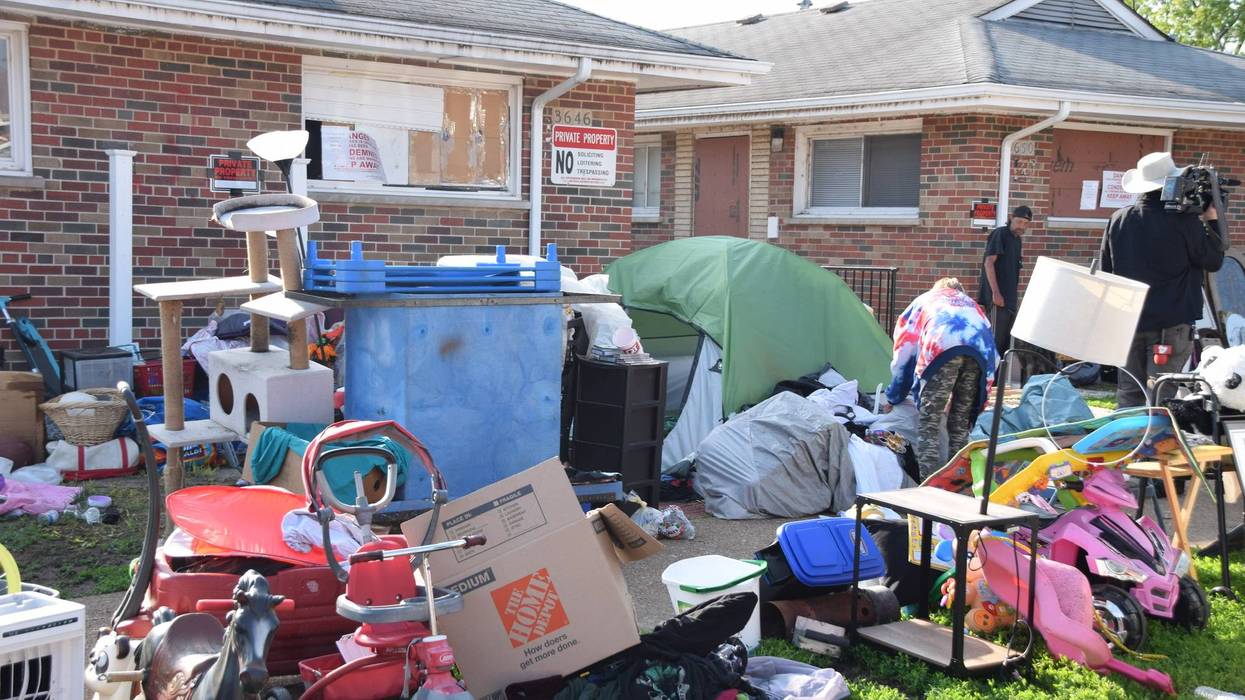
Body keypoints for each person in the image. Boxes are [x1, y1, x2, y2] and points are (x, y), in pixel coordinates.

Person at [1101, 152, 1226, 408]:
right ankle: (1153, 444)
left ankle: (1125, 444)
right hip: (1170, 325)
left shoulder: (1118, 219)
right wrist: (1211, 221)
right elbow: (1213, 261)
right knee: (1161, 394)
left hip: (1129, 322)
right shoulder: (1184, 221)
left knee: (1130, 391)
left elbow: (1107, 271)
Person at [884, 278, 998, 479]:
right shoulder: (972, 306)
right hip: (979, 355)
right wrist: (978, 403)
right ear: (958, 291)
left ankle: (929, 485)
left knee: (930, 422)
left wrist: (895, 396)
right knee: (959, 424)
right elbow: (994, 356)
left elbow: (904, 352)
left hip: (941, 346)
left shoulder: (924, 301)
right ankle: (958, 481)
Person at [978, 205, 1031, 354]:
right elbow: (989, 263)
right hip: (997, 300)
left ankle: (999, 377)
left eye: (1026, 223)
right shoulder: (1000, 233)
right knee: (993, 344)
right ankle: (989, 377)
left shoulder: (1017, 240)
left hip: (1010, 301)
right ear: (1010, 218)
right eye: (1019, 221)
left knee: (1005, 346)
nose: (1022, 226)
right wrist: (995, 293)